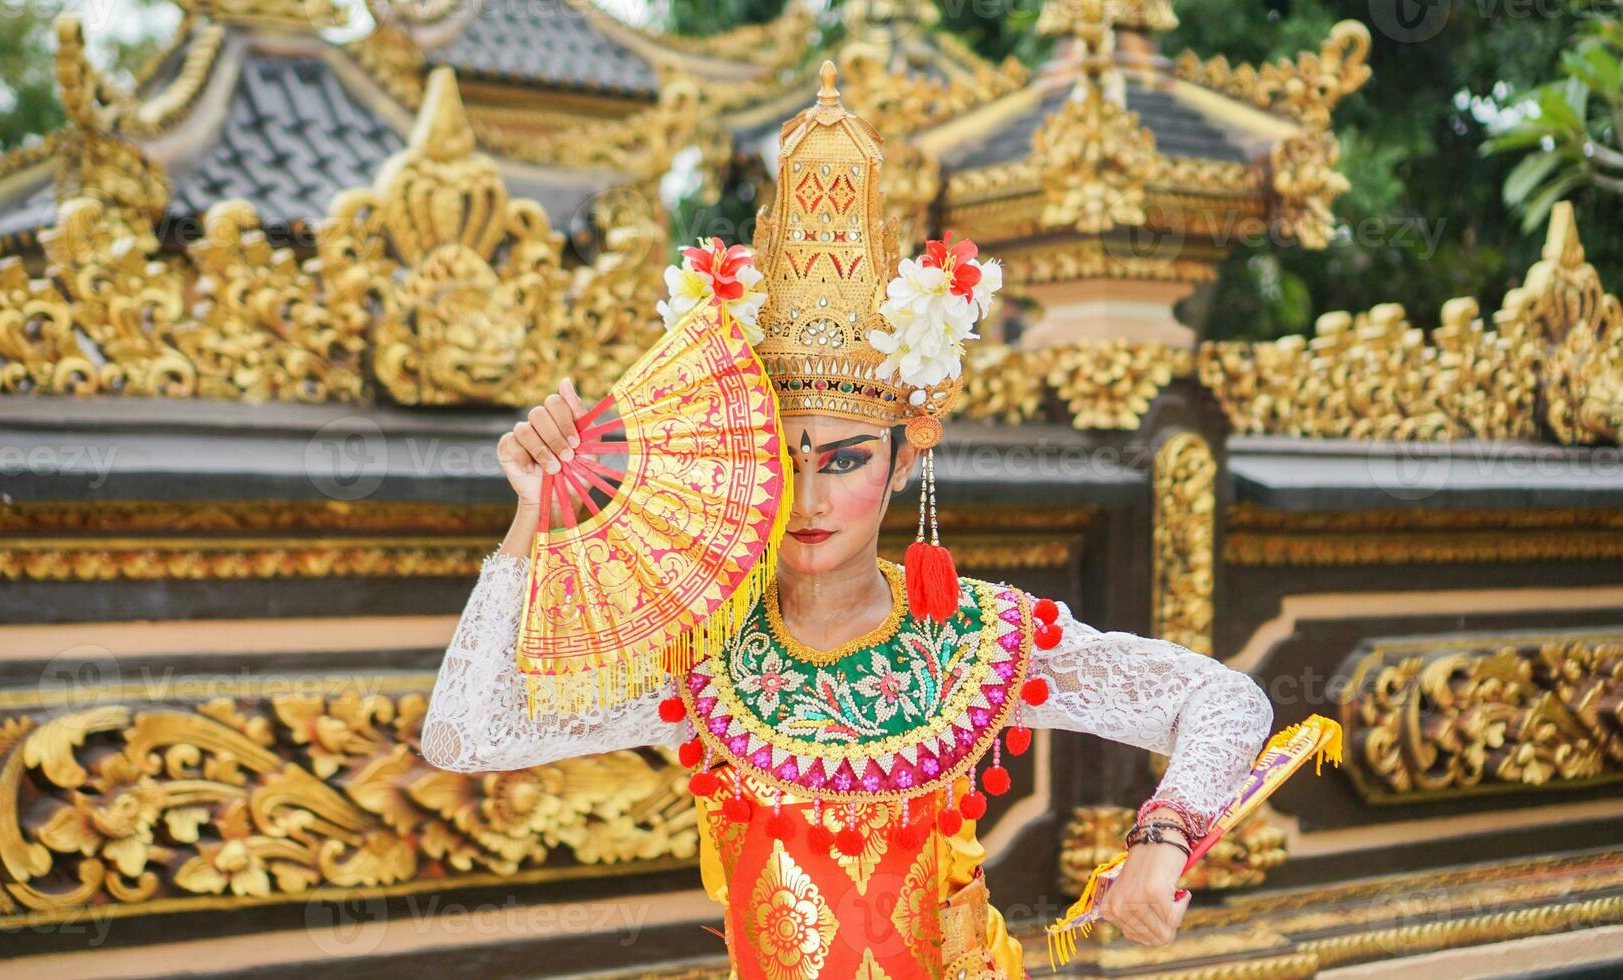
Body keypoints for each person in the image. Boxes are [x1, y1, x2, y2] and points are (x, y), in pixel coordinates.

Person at [421, 64, 1271, 979]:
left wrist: (1165, 834)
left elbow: (1225, 700)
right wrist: (532, 526)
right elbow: (469, 735)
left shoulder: (979, 641)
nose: (811, 502)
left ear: (904, 461)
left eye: (845, 461)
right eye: (783, 463)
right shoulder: (699, 661)